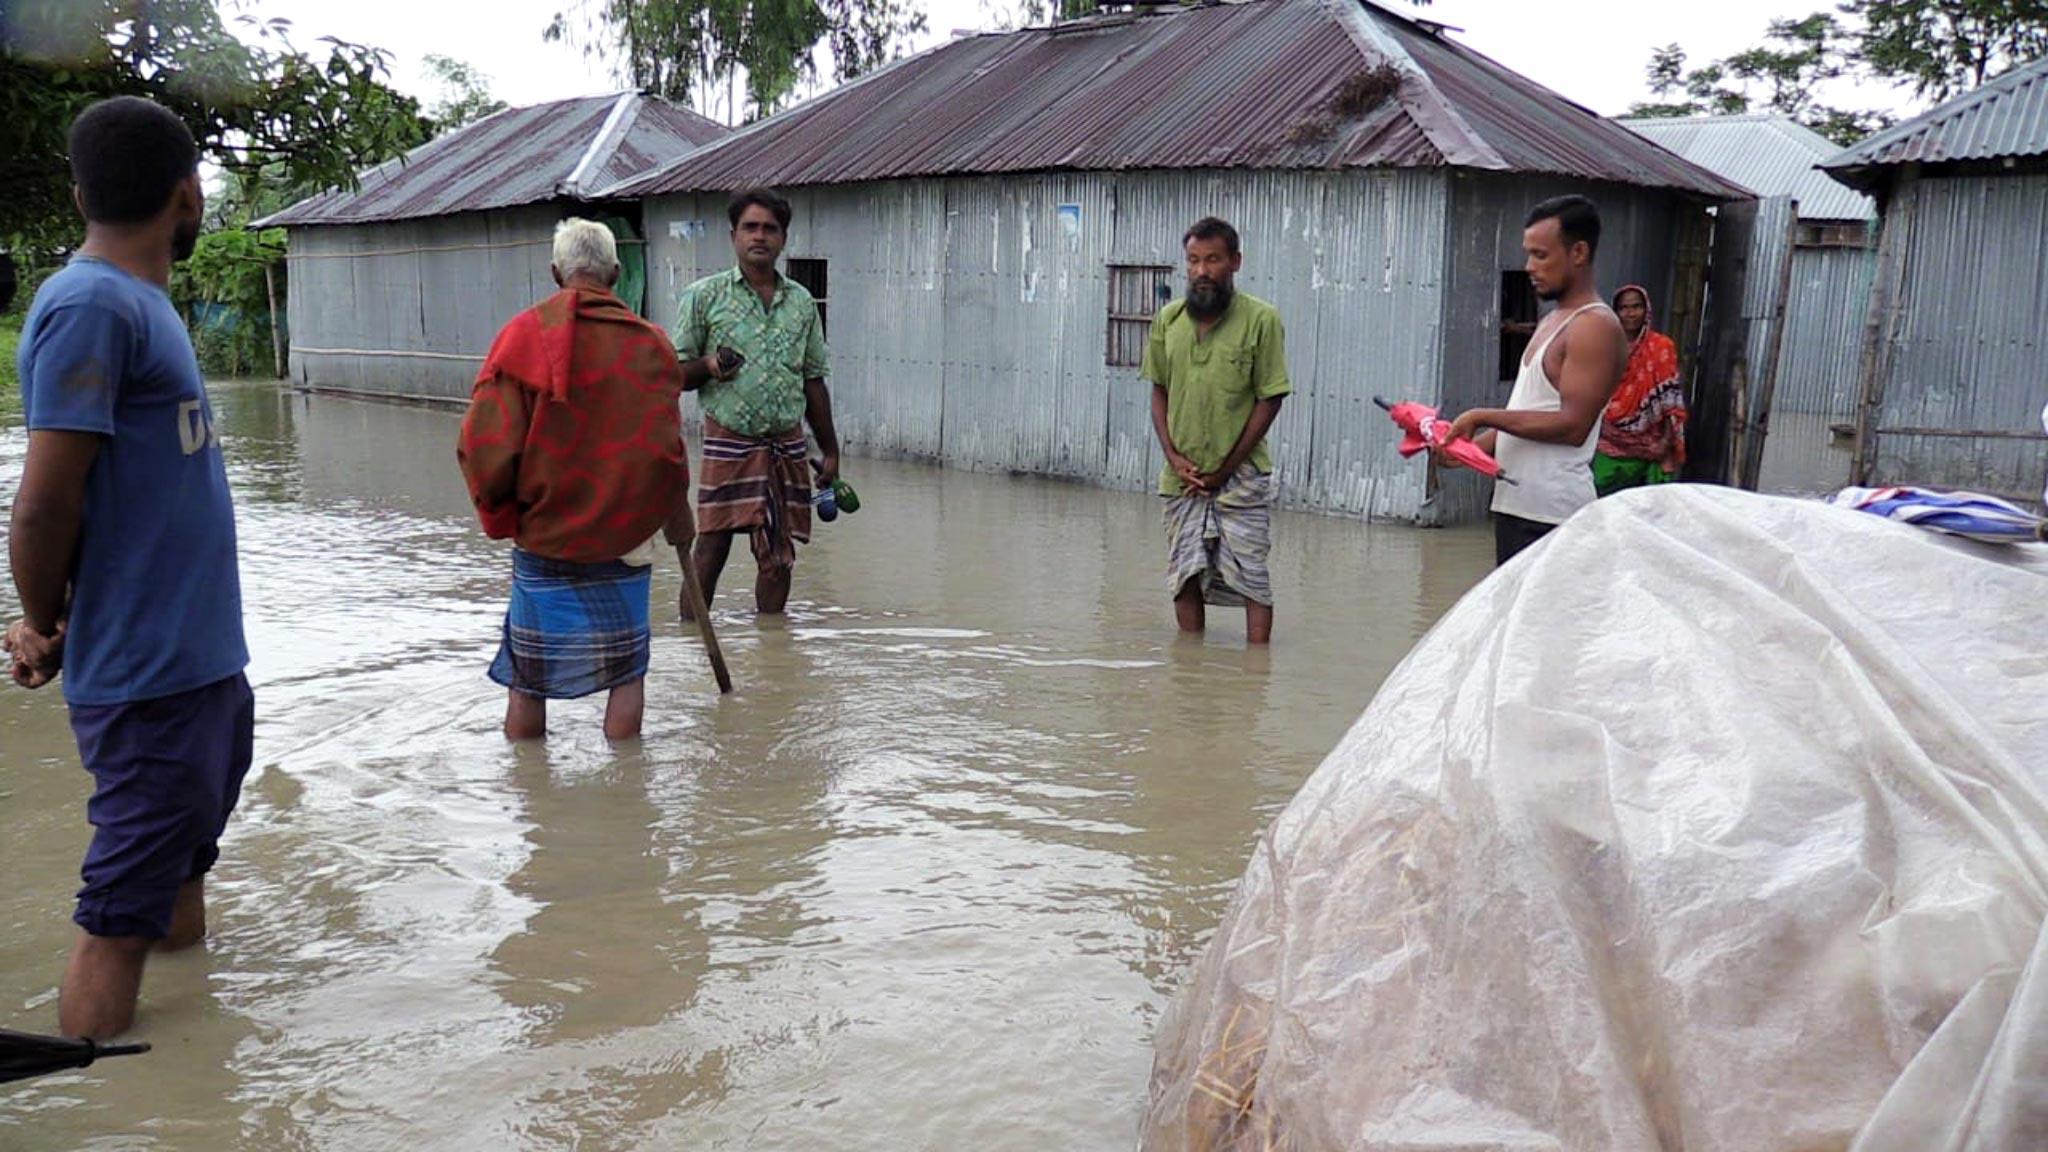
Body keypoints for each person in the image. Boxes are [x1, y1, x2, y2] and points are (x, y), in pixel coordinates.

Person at [2, 97, 250, 1040]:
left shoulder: (142, 306)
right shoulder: (88, 305)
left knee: (174, 886)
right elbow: (43, 501)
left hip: (201, 673)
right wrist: (43, 621)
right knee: (114, 922)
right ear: (190, 197)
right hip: (145, 683)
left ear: (79, 194)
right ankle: (103, 1100)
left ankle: (184, 1083)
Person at [457, 219, 693, 741]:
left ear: (555, 273)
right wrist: (660, 512)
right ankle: (627, 802)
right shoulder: (651, 344)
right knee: (627, 673)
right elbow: (667, 453)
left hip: (545, 535)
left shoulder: (521, 337)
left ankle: (531, 806)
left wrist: (503, 517)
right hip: (625, 537)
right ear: (615, 272)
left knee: (528, 677)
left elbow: (484, 447)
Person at [672, 188, 839, 618]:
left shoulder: (801, 302)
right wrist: (708, 364)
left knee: (778, 556)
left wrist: (831, 450)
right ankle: (694, 645)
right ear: (733, 236)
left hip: (787, 443)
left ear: (783, 238)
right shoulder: (704, 297)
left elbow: (813, 381)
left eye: (769, 228)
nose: (759, 236)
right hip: (729, 439)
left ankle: (771, 646)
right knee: (711, 545)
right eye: (750, 227)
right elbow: (672, 374)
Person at [1442, 196, 1628, 566]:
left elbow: (1573, 426)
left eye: (1541, 255)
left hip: (1553, 517)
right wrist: (1464, 452)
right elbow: (1528, 415)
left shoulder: (1594, 326)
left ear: (1578, 252)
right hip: (1518, 509)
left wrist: (1482, 415)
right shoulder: (1551, 321)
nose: (1529, 267)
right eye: (1528, 254)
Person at [1143, 217, 1290, 645]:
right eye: (1193, 261)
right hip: (1181, 477)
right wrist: (1172, 456)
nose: (1202, 271)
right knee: (1184, 574)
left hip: (1241, 476)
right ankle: (1190, 668)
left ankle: (1254, 674)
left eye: (1213, 260)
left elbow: (1271, 397)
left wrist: (1225, 469)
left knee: (1252, 578)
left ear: (1234, 262)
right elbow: (1159, 391)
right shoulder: (1167, 321)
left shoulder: (1261, 319)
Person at [1592, 284, 1687, 495]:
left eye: (1636, 306)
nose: (1631, 313)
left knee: (1650, 508)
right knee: (1602, 501)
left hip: (1653, 445)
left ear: (1646, 309)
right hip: (1610, 442)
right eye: (1624, 308)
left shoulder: (1662, 347)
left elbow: (1671, 402)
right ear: (1615, 312)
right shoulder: (1606, 347)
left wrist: (1664, 442)